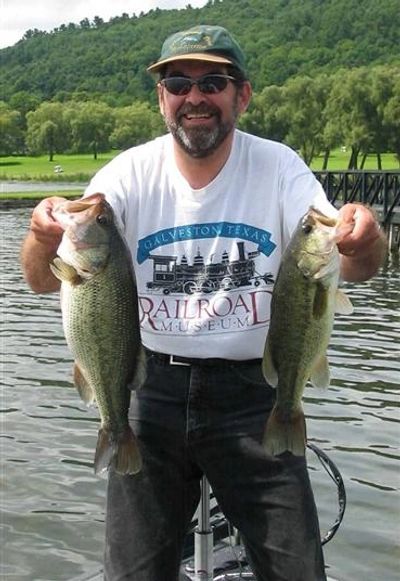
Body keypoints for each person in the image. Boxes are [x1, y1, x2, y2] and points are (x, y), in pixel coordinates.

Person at [21, 25, 386, 581]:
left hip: (254, 395)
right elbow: (44, 281)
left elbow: (352, 266)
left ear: (242, 95)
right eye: (177, 83)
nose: (194, 97)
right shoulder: (126, 175)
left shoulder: (280, 167)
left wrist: (366, 237)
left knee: (298, 569)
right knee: (133, 572)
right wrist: (46, 236)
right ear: (162, 98)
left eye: (213, 82)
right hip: (147, 391)